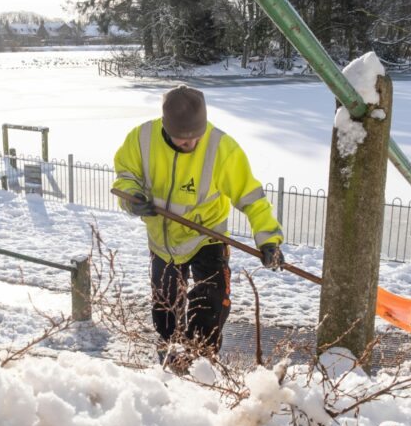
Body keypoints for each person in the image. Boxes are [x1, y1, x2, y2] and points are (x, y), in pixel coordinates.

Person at [113, 85, 285, 361]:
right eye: (182, 140)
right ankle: (171, 361)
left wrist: (269, 240)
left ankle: (202, 362)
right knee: (165, 313)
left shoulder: (221, 148)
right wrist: (132, 198)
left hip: (208, 237)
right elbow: (126, 175)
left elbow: (251, 197)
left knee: (210, 308)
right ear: (166, 128)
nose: (191, 144)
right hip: (163, 241)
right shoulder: (141, 139)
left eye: (196, 137)